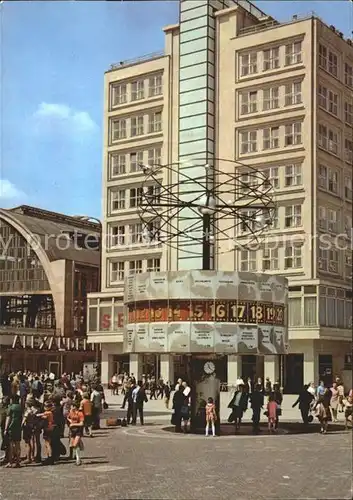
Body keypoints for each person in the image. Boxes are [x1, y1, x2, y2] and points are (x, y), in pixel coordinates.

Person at [4, 394, 23, 468]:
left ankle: (10, 461)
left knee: (11, 445)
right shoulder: (20, 407)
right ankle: (18, 461)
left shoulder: (10, 407)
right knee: (18, 444)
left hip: (11, 427)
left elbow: (8, 418)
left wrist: (6, 428)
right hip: (18, 427)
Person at [67, 401, 84, 466]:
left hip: (78, 430)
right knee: (72, 445)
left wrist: (73, 424)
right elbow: (68, 417)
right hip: (72, 431)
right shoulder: (71, 412)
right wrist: (70, 421)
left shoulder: (80, 413)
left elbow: (82, 423)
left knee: (75, 445)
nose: (70, 407)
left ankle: (78, 460)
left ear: (74, 407)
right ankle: (80, 443)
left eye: (71, 406)